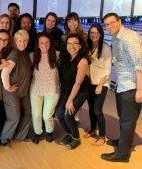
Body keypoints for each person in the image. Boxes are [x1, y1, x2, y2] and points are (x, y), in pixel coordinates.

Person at [101, 13, 142, 163]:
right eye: (106, 24)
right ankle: (123, 141)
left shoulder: (129, 38)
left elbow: (140, 64)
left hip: (132, 86)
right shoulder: (115, 37)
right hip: (122, 84)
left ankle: (123, 154)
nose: (109, 27)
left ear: (120, 21)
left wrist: (140, 90)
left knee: (128, 120)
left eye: (112, 23)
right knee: (124, 118)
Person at [56, 33, 91, 150]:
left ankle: (76, 138)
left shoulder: (83, 61)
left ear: (80, 46)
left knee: (68, 114)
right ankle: (70, 133)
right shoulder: (64, 57)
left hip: (81, 90)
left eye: (75, 43)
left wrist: (70, 101)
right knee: (60, 113)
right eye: (69, 43)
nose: (72, 46)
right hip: (67, 88)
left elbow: (78, 83)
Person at [0, 30, 32, 149]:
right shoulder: (14, 54)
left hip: (23, 91)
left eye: (24, 41)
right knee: (14, 116)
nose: (22, 43)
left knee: (28, 113)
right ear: (15, 41)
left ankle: (20, 136)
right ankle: (4, 138)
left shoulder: (24, 53)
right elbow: (4, 73)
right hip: (12, 92)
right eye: (20, 41)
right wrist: (8, 87)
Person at [83, 23, 112, 146]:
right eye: (92, 32)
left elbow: (108, 68)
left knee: (97, 110)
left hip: (102, 83)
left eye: (97, 33)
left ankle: (102, 135)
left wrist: (100, 84)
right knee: (91, 109)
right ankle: (93, 129)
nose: (94, 35)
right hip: (90, 82)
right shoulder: (88, 47)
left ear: (100, 34)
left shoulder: (105, 48)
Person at [30, 32, 60, 144]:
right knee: (36, 114)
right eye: (41, 42)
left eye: (47, 42)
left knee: (47, 115)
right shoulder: (33, 56)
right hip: (36, 90)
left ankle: (49, 131)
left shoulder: (57, 55)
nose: (44, 45)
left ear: (50, 44)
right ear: (38, 44)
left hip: (52, 90)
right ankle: (37, 132)